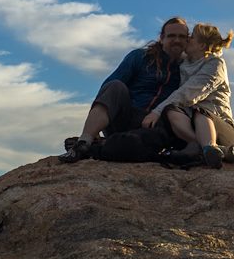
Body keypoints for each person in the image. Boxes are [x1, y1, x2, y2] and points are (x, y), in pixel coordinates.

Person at [61, 17, 189, 162]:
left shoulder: (190, 67)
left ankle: (103, 146)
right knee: (115, 85)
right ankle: (84, 142)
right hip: (126, 116)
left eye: (182, 37)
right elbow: (108, 88)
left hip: (156, 125)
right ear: (162, 38)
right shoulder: (140, 57)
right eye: (171, 36)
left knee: (139, 142)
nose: (177, 40)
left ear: (187, 40)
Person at [145, 22, 234, 169]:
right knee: (171, 110)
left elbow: (188, 93)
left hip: (218, 126)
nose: (187, 39)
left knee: (201, 112)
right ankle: (202, 147)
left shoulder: (215, 64)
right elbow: (169, 49)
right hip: (191, 126)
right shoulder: (186, 62)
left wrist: (156, 112)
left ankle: (211, 147)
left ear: (201, 45)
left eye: (192, 37)